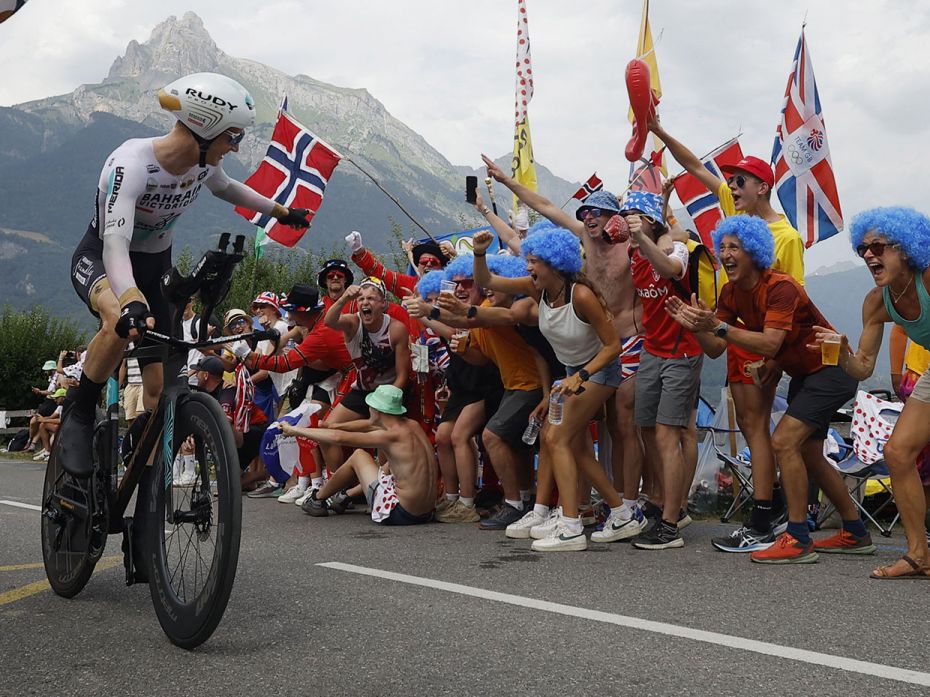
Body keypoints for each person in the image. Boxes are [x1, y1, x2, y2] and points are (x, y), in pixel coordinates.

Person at [58, 72, 312, 478]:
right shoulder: (131, 163)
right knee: (119, 321)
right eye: (233, 137)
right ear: (205, 129)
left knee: (160, 391)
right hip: (104, 258)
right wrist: (130, 299)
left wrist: (281, 212)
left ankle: (149, 486)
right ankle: (80, 412)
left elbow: (230, 188)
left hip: (155, 266)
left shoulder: (202, 164)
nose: (235, 147)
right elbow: (115, 244)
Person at [666, 215, 866, 565]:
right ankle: (855, 531)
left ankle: (797, 536)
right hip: (808, 375)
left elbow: (771, 344)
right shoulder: (730, 292)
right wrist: (696, 326)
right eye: (722, 247)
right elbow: (715, 347)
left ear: (754, 252)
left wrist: (719, 327)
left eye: (734, 247)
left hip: (834, 370)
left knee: (783, 441)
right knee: (811, 456)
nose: (726, 254)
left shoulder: (780, 287)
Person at [649, 118, 805, 550]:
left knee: (758, 429)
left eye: (741, 181)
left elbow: (793, 299)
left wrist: (773, 357)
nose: (731, 186)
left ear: (763, 187)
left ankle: (765, 516)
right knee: (753, 426)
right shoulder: (735, 217)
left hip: (761, 343)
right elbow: (694, 167)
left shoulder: (785, 237)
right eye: (731, 180)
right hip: (729, 330)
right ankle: (771, 511)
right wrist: (658, 131)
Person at [482, 155, 645, 527]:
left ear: (615, 218)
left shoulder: (632, 246)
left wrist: (652, 231)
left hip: (626, 341)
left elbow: (674, 241)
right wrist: (506, 181)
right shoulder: (581, 239)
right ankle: (591, 508)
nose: (589, 217)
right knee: (570, 436)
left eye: (599, 213)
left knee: (621, 424)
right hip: (584, 349)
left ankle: (628, 502)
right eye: (586, 211)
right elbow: (545, 206)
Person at [472, 227, 638, 551]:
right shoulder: (537, 289)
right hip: (574, 372)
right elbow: (488, 282)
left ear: (553, 262)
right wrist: (479, 253)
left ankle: (571, 526)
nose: (529, 267)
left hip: (600, 371)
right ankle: (621, 513)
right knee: (569, 444)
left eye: (534, 261)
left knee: (555, 437)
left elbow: (613, 346)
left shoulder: (583, 295)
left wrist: (581, 376)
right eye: (528, 260)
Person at [819, 207, 930, 578]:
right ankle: (919, 555)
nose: (869, 255)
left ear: (906, 249)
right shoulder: (877, 302)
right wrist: (841, 354)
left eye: (878, 247)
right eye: (863, 249)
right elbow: (863, 366)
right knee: (897, 453)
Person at [617, 191, 703, 551]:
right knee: (647, 428)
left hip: (682, 352)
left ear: (649, 221)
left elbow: (671, 268)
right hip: (652, 349)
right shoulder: (634, 254)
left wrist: (650, 233)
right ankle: (663, 502)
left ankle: (671, 524)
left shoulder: (676, 247)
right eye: (626, 215)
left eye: (635, 215)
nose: (627, 220)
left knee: (670, 434)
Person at [234, 283, 353, 502]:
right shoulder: (317, 322)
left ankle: (336, 489)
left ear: (301, 312)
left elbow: (285, 363)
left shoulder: (320, 335)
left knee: (325, 432)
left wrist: (249, 357)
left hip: (354, 378)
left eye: (290, 310)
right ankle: (327, 485)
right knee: (316, 428)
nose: (287, 314)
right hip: (345, 377)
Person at [288, 385, 437, 525]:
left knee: (359, 456)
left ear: (377, 411)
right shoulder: (412, 425)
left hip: (402, 513)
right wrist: (332, 425)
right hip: (426, 512)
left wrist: (294, 430)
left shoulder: (389, 435)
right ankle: (345, 496)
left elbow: (338, 438)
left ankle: (317, 499)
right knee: (388, 466)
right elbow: (369, 424)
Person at [321, 276, 411, 470]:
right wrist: (344, 298)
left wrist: (385, 404)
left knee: (385, 440)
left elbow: (403, 375)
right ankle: (338, 485)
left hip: (389, 393)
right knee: (326, 432)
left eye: (371, 298)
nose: (365, 303)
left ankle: (386, 487)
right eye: (361, 299)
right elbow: (330, 321)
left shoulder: (396, 329)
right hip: (362, 391)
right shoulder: (353, 323)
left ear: (383, 304)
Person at [193, 355, 269, 488]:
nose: (195, 376)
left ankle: (262, 474)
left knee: (227, 487)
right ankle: (249, 481)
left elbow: (236, 440)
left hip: (254, 432)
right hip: (243, 433)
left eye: (197, 372)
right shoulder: (210, 391)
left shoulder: (226, 394)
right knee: (231, 483)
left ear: (206, 375)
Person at [31, 388, 67, 461]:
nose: (55, 400)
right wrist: (41, 418)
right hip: (60, 427)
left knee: (44, 424)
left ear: (63, 398)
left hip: (66, 427)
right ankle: (47, 451)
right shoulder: (60, 406)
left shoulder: (67, 406)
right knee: (42, 425)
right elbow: (51, 417)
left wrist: (44, 420)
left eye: (57, 398)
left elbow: (61, 420)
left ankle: (49, 451)